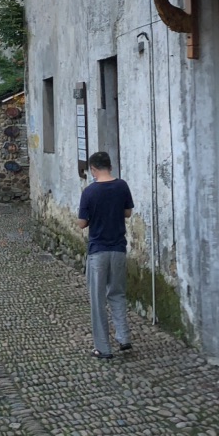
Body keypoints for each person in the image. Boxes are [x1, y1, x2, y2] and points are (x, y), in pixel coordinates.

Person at [77, 151, 134, 359]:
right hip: (118, 249)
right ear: (110, 166)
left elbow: (82, 223)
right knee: (117, 294)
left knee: (98, 299)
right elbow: (127, 212)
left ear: (93, 169)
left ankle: (103, 347)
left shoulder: (89, 192)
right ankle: (124, 337)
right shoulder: (122, 186)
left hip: (98, 251)